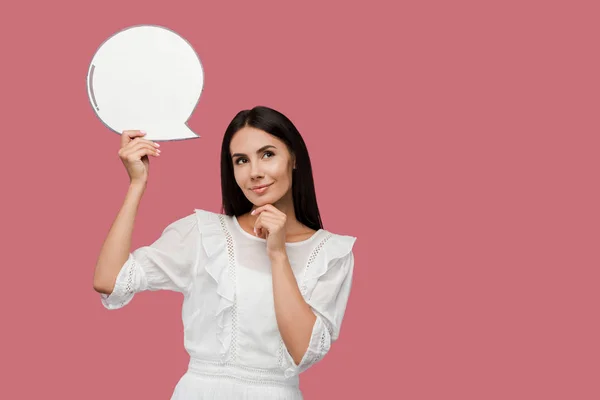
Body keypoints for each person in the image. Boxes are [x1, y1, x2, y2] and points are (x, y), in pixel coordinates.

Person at [93, 106, 357, 399]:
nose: (255, 172)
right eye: (241, 160)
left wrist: (278, 254)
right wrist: (136, 184)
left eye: (268, 154)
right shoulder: (204, 234)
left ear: (293, 158)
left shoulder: (332, 252)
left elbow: (302, 352)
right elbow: (110, 281)